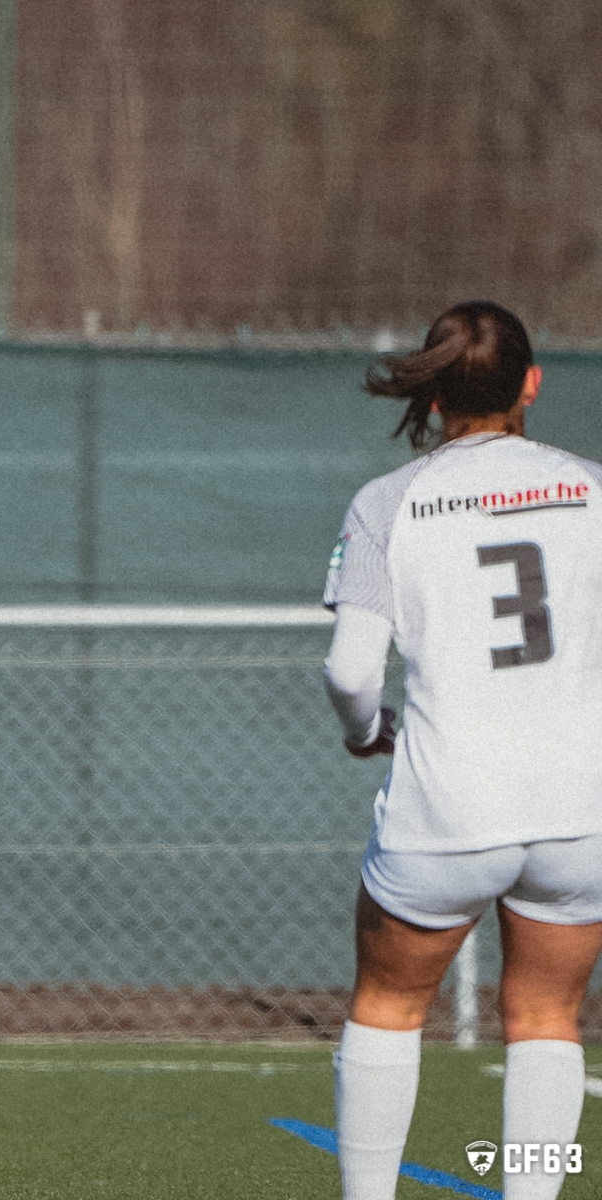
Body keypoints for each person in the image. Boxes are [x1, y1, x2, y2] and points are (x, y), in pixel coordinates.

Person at [322, 301, 602, 1200]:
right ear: (532, 384)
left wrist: (366, 735)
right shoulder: (593, 489)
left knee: (390, 1010)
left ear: (435, 398)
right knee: (549, 1018)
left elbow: (352, 669)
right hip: (580, 807)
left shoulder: (385, 503)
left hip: (447, 808)